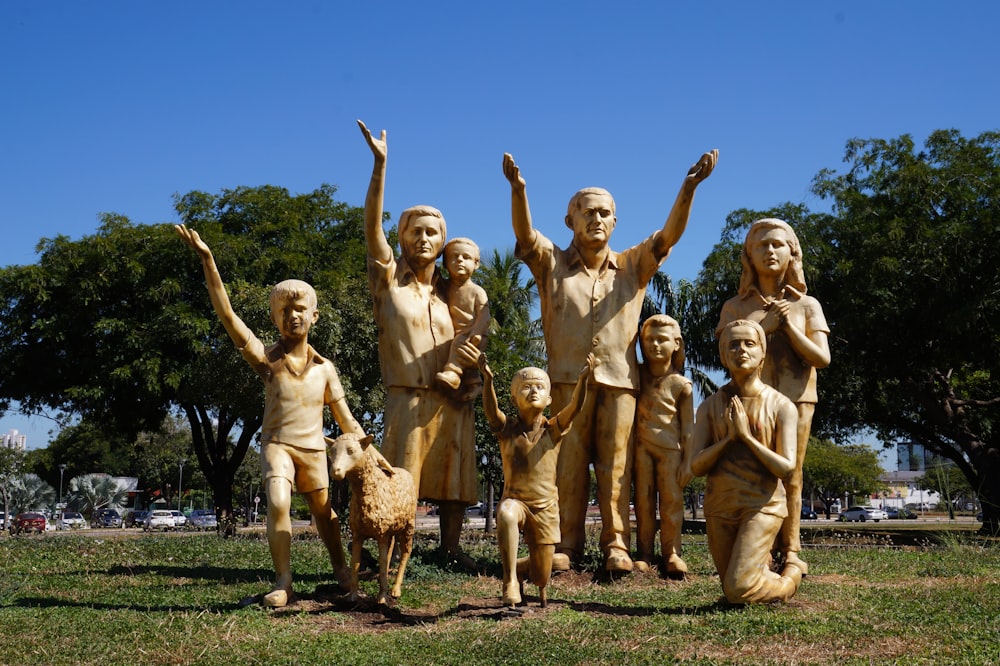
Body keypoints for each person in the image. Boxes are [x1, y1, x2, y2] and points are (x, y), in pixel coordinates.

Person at [501, 148, 717, 572]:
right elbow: (526, 236)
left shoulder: (632, 266)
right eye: (587, 212)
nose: (596, 219)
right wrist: (519, 190)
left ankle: (616, 544)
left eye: (605, 213)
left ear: (615, 222)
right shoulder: (552, 265)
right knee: (569, 466)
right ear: (570, 221)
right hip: (565, 382)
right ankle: (566, 543)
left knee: (617, 467)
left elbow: (667, 237)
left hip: (620, 382)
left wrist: (688, 188)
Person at [175, 224, 365, 608]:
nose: (292, 316)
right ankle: (283, 580)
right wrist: (209, 262)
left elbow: (346, 419)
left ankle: (342, 570)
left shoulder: (325, 369)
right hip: (277, 444)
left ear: (314, 315)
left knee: (325, 515)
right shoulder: (267, 360)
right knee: (278, 500)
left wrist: (370, 451)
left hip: (314, 450)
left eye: (300, 310)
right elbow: (227, 316)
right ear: (274, 316)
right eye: (284, 310)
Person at [358, 120, 480, 563]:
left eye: (433, 232)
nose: (424, 239)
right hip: (407, 397)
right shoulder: (388, 283)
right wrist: (380, 166)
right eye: (415, 231)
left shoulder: (453, 296)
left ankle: (451, 548)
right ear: (403, 237)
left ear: (443, 241)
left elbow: (472, 338)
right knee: (401, 477)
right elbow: (372, 228)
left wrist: (471, 376)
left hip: (450, 400)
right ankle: (390, 551)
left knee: (453, 477)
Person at [716, 218, 830, 575]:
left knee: (791, 473)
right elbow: (725, 352)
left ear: (791, 253)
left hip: (797, 399)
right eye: (761, 245)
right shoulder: (735, 307)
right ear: (748, 255)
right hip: (751, 399)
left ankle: (792, 549)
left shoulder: (807, 304)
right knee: (754, 470)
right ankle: (760, 550)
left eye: (778, 244)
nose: (769, 251)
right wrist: (766, 327)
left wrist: (789, 327)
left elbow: (821, 358)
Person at [690, 319, 802, 604]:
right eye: (733, 345)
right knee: (736, 588)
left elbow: (786, 468)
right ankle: (763, 578)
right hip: (720, 508)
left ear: (762, 352)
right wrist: (728, 439)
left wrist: (746, 437)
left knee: (737, 589)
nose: (741, 350)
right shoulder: (709, 407)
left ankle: (790, 577)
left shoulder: (781, 406)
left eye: (749, 344)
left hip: (762, 506)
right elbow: (696, 466)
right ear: (723, 355)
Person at [479, 353, 594, 607]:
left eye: (539, 386)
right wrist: (487, 381)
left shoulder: (553, 429)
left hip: (546, 508)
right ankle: (509, 580)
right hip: (516, 501)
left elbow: (575, 406)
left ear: (549, 398)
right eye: (525, 387)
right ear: (513, 398)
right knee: (506, 512)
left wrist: (583, 380)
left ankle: (520, 568)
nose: (533, 391)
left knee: (541, 576)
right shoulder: (507, 429)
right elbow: (490, 410)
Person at [633, 315, 694, 578]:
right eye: (649, 340)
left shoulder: (682, 385)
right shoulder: (635, 376)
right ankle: (644, 553)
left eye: (662, 340)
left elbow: (689, 429)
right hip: (640, 449)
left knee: (671, 504)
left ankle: (672, 552)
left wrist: (689, 461)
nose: (655, 345)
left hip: (671, 451)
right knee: (643, 503)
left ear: (676, 344)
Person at [435, 237, 491, 392]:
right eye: (454, 257)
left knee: (459, 345)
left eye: (466, 257)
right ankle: (474, 384)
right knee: (460, 351)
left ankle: (452, 373)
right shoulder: (444, 286)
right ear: (445, 263)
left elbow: (485, 316)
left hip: (472, 334)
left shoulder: (477, 291)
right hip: (454, 334)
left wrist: (477, 332)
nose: (459, 260)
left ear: (476, 263)